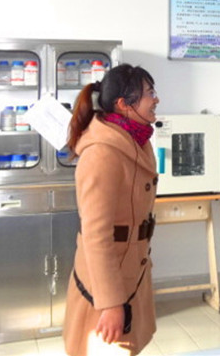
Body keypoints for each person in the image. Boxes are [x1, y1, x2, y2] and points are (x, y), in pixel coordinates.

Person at [63, 64, 160, 355]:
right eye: (149, 93)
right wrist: (110, 303)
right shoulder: (102, 153)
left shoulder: (136, 141)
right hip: (105, 284)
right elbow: (95, 234)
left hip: (131, 272)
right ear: (123, 104)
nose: (156, 99)